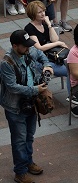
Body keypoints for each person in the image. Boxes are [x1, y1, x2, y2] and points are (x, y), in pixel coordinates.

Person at [0, 30, 53, 183]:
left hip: (30, 104)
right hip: (15, 107)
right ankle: (20, 172)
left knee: (29, 136)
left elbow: (41, 54)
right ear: (15, 46)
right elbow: (12, 87)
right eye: (25, 46)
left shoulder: (28, 51)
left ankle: (28, 162)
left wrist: (47, 66)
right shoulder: (7, 63)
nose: (29, 48)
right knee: (19, 140)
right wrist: (36, 89)